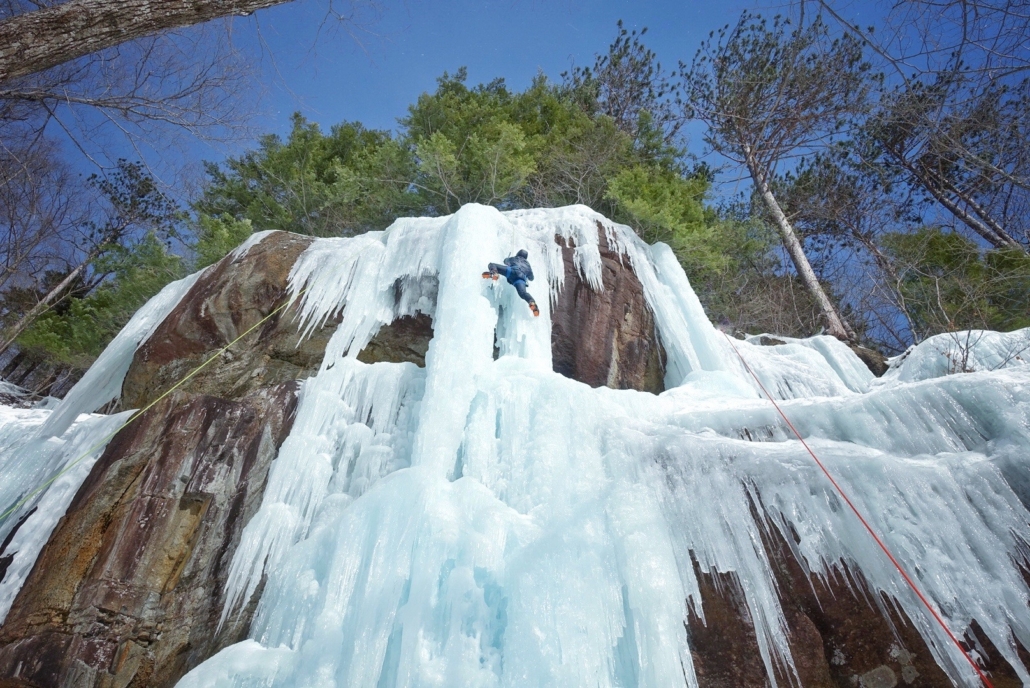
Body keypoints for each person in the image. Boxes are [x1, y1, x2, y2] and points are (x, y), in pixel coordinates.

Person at [483, 249, 539, 316]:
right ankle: (532, 302)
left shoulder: (514, 258)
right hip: (520, 279)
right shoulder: (528, 265)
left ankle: (494, 273)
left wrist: (508, 259)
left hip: (511, 271)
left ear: (518, 254)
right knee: (523, 293)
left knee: (492, 264)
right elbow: (531, 278)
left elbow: (505, 261)